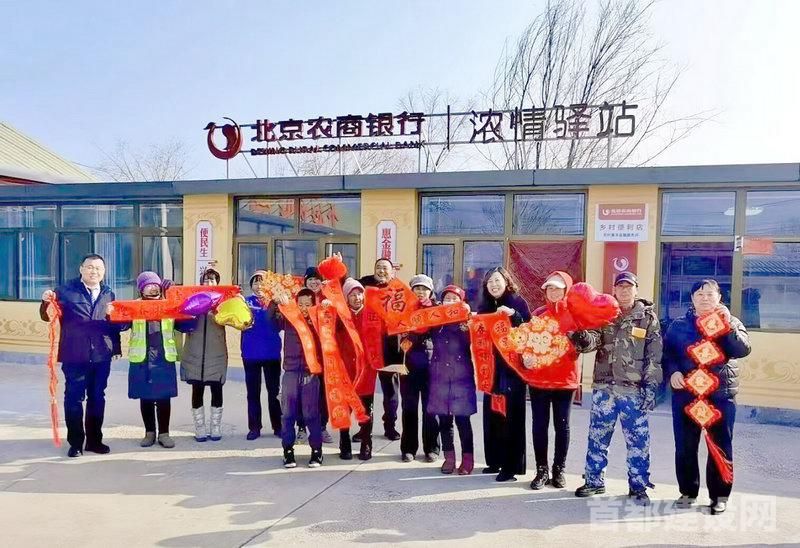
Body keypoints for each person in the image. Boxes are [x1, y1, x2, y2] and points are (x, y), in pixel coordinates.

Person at [573, 272, 663, 506]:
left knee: (638, 440)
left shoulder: (646, 318)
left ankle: (638, 486)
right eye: (620, 286)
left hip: (633, 390)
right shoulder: (605, 313)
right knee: (598, 436)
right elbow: (593, 341)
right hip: (604, 387)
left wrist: (650, 387)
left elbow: (654, 356)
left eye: (628, 286)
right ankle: (594, 481)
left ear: (636, 290)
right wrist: (582, 337)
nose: (624, 290)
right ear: (614, 290)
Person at [664, 279, 751, 515]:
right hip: (686, 394)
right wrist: (673, 372)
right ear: (692, 298)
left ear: (719, 297)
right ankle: (687, 492)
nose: (705, 298)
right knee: (685, 446)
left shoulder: (731, 321)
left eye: (710, 294)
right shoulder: (679, 325)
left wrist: (726, 326)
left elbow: (742, 349)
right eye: (699, 294)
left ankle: (719, 496)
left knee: (720, 445)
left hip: (720, 395)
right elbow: (667, 354)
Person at [39, 253, 122, 458]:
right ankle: (75, 443)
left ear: (104, 272)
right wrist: (45, 302)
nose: (94, 271)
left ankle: (94, 441)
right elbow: (47, 315)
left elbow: (113, 324)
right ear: (81, 269)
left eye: (98, 268)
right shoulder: (65, 291)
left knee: (97, 398)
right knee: (74, 399)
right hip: (74, 354)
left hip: (101, 356)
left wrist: (116, 347)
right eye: (90, 267)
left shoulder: (109, 294)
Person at [121, 271, 194, 449]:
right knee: (145, 398)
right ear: (141, 290)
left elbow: (186, 325)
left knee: (164, 398)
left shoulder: (169, 305)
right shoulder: (134, 306)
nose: (153, 288)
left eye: (156, 285)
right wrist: (112, 313)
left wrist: (180, 301)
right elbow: (121, 325)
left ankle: (164, 433)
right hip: (142, 359)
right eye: (148, 286)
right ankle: (149, 433)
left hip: (163, 358)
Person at [525, 271, 582, 490]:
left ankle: (559, 470)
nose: (554, 292)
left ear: (566, 290)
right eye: (550, 288)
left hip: (564, 380)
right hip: (539, 380)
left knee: (562, 425)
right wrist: (525, 356)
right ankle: (542, 470)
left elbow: (585, 343)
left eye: (558, 288)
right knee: (539, 425)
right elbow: (526, 341)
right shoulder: (538, 314)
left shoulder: (575, 315)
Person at [480, 267, 532, 482]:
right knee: (492, 415)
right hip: (491, 369)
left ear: (506, 282)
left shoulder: (517, 302)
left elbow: (529, 330)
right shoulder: (484, 306)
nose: (494, 285)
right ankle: (494, 460)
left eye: (497, 280)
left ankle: (511, 467)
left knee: (512, 417)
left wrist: (514, 316)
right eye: (490, 281)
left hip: (512, 370)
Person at [273, 288, 324, 468]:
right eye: (300, 304)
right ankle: (288, 450)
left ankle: (316, 451)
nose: (303, 308)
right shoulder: (289, 319)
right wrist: (275, 303)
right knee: (288, 414)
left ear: (314, 305)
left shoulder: (319, 321)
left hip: (311, 373)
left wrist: (328, 306)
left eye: (307, 304)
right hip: (291, 372)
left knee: (311, 414)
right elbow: (272, 321)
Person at [428, 285, 476, 475]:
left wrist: (468, 321)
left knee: (463, 421)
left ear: (462, 302)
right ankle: (449, 458)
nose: (450, 302)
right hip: (439, 378)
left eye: (455, 299)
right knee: (444, 421)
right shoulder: (436, 322)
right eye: (447, 298)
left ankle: (468, 459)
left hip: (461, 379)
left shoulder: (467, 324)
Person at [180, 268, 229, 442]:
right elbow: (181, 322)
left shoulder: (223, 301)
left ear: (217, 283)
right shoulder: (193, 300)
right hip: (195, 353)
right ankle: (199, 427)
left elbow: (236, 319)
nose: (209, 283)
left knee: (217, 389)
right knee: (197, 390)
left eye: (212, 280)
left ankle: (215, 426)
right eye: (206, 280)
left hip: (216, 353)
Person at [399, 274, 441, 463]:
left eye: (425, 289)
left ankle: (432, 448)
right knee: (409, 408)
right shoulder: (403, 309)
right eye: (417, 288)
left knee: (431, 409)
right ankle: (408, 448)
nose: (421, 292)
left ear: (430, 292)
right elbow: (398, 334)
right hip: (408, 366)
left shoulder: (437, 310)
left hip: (432, 366)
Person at [359, 258, 401, 441]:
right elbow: (345, 287)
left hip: (390, 349)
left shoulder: (399, 290)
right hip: (368, 348)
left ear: (392, 272)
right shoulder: (364, 285)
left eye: (385, 268)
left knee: (391, 392)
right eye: (378, 267)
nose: (381, 271)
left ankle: (390, 426)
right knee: (365, 391)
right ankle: (364, 428)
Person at [335, 277, 377, 460]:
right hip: (345, 370)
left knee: (366, 411)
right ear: (346, 297)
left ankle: (366, 444)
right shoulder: (340, 316)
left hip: (366, 372)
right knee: (344, 410)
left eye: (360, 293)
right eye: (352, 294)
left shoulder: (372, 315)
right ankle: (344, 443)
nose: (357, 297)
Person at [241, 270, 283, 440]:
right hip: (250, 354)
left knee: (274, 393)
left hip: (272, 354)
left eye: (262, 282)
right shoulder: (245, 302)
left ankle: (278, 426)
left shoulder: (275, 303)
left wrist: (280, 309)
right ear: (251, 285)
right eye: (256, 282)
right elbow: (236, 321)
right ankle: (254, 427)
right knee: (253, 393)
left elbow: (282, 325)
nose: (259, 286)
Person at [298, 266, 333, 445]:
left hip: (324, 356)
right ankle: (301, 428)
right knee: (302, 393)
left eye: (317, 279)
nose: (314, 282)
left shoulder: (327, 299)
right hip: (302, 356)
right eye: (310, 279)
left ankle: (322, 426)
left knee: (323, 394)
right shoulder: (297, 300)